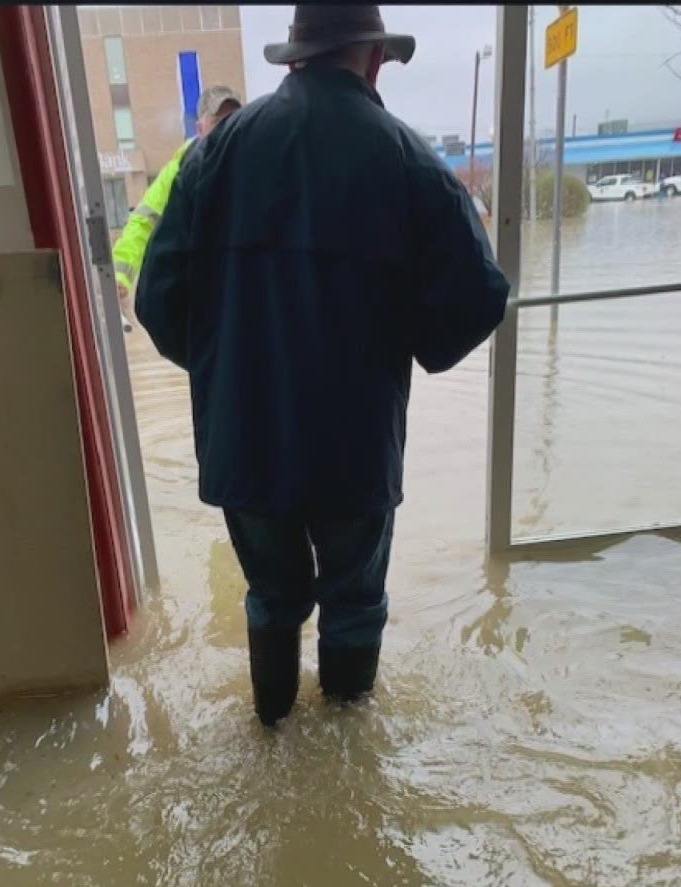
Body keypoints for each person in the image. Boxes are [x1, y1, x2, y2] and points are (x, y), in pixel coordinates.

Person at [135, 5, 510, 725]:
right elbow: (478, 296)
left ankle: (271, 738)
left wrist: (225, 372)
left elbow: (157, 298)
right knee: (354, 602)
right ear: (373, 60)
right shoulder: (407, 159)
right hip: (355, 445)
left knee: (272, 598)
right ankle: (348, 756)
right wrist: (414, 340)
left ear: (293, 59)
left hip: (246, 438)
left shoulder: (213, 156)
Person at [110, 84, 242, 328]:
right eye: (219, 122)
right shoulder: (183, 168)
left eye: (233, 121)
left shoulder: (255, 159)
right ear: (200, 129)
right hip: (208, 297)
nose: (227, 130)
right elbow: (143, 220)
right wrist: (120, 276)